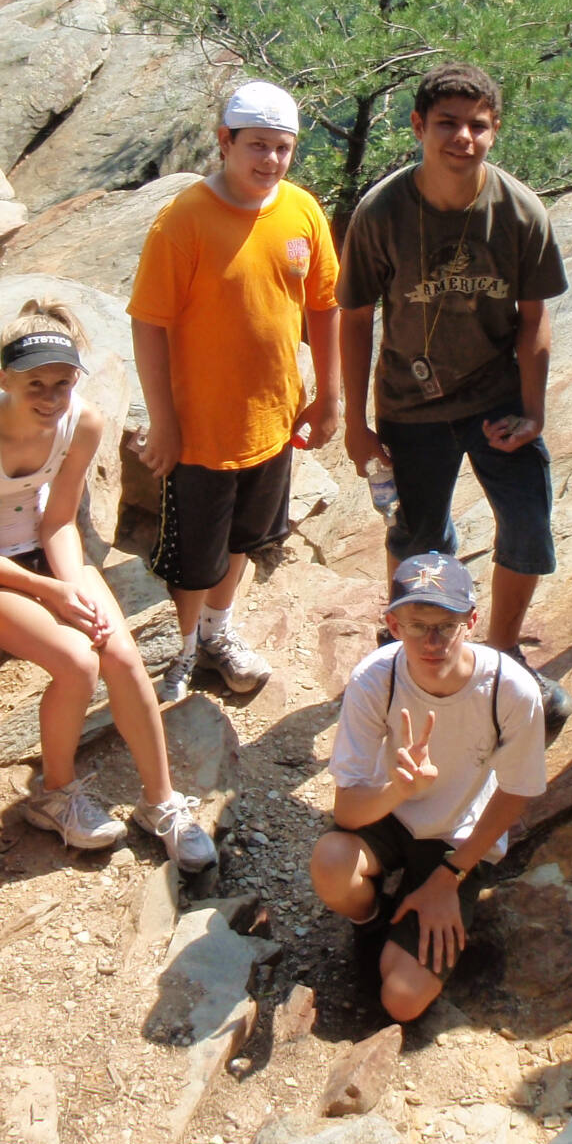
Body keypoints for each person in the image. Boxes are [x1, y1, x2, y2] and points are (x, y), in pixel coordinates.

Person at [0, 300, 215, 870]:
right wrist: (51, 595)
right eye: (34, 383)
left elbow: (59, 519)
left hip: (43, 550)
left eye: (62, 383)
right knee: (77, 662)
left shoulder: (81, 422)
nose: (50, 397)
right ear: (3, 380)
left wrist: (72, 588)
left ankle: (160, 802)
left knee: (119, 651)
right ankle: (54, 794)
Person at [339, 63, 572, 734]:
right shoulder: (383, 213)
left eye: (477, 124)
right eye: (447, 123)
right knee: (420, 539)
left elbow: (535, 317)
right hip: (412, 405)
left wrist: (533, 411)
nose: (462, 137)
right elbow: (355, 318)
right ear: (418, 127)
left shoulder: (520, 212)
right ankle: (411, 653)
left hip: (495, 394)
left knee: (527, 524)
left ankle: (500, 655)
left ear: (495, 131)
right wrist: (356, 426)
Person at [129, 80, 341, 704]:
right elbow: (149, 322)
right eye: (256, 145)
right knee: (194, 556)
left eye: (282, 148)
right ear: (225, 141)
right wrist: (164, 423)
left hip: (272, 419)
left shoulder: (301, 211)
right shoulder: (185, 221)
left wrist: (328, 395)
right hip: (199, 428)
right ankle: (185, 645)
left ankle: (218, 633)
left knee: (249, 537)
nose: (269, 160)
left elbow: (324, 306)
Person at [310, 553, 546, 1022]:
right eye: (417, 625)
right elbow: (348, 813)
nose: (432, 642)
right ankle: (374, 923)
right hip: (389, 817)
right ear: (394, 624)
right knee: (331, 865)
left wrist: (450, 876)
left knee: (401, 1000)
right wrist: (399, 788)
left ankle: (420, 911)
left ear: (472, 622)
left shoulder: (511, 689)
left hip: (458, 839)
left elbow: (517, 790)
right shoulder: (376, 679)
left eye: (446, 625)